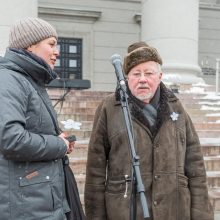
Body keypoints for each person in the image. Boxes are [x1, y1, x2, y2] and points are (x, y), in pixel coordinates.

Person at [84, 42, 214, 220]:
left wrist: (201, 215)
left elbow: (195, 166)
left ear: (160, 76)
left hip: (173, 210)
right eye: (136, 74)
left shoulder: (176, 107)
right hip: (124, 210)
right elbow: (95, 170)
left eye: (149, 73)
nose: (142, 79)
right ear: (126, 78)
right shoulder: (110, 108)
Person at [0, 17, 75, 220]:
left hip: (38, 202)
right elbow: (11, 139)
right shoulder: (9, 79)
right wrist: (58, 144)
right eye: (51, 44)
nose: (57, 51)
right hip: (25, 207)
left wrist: (59, 138)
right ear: (30, 45)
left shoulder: (28, 80)